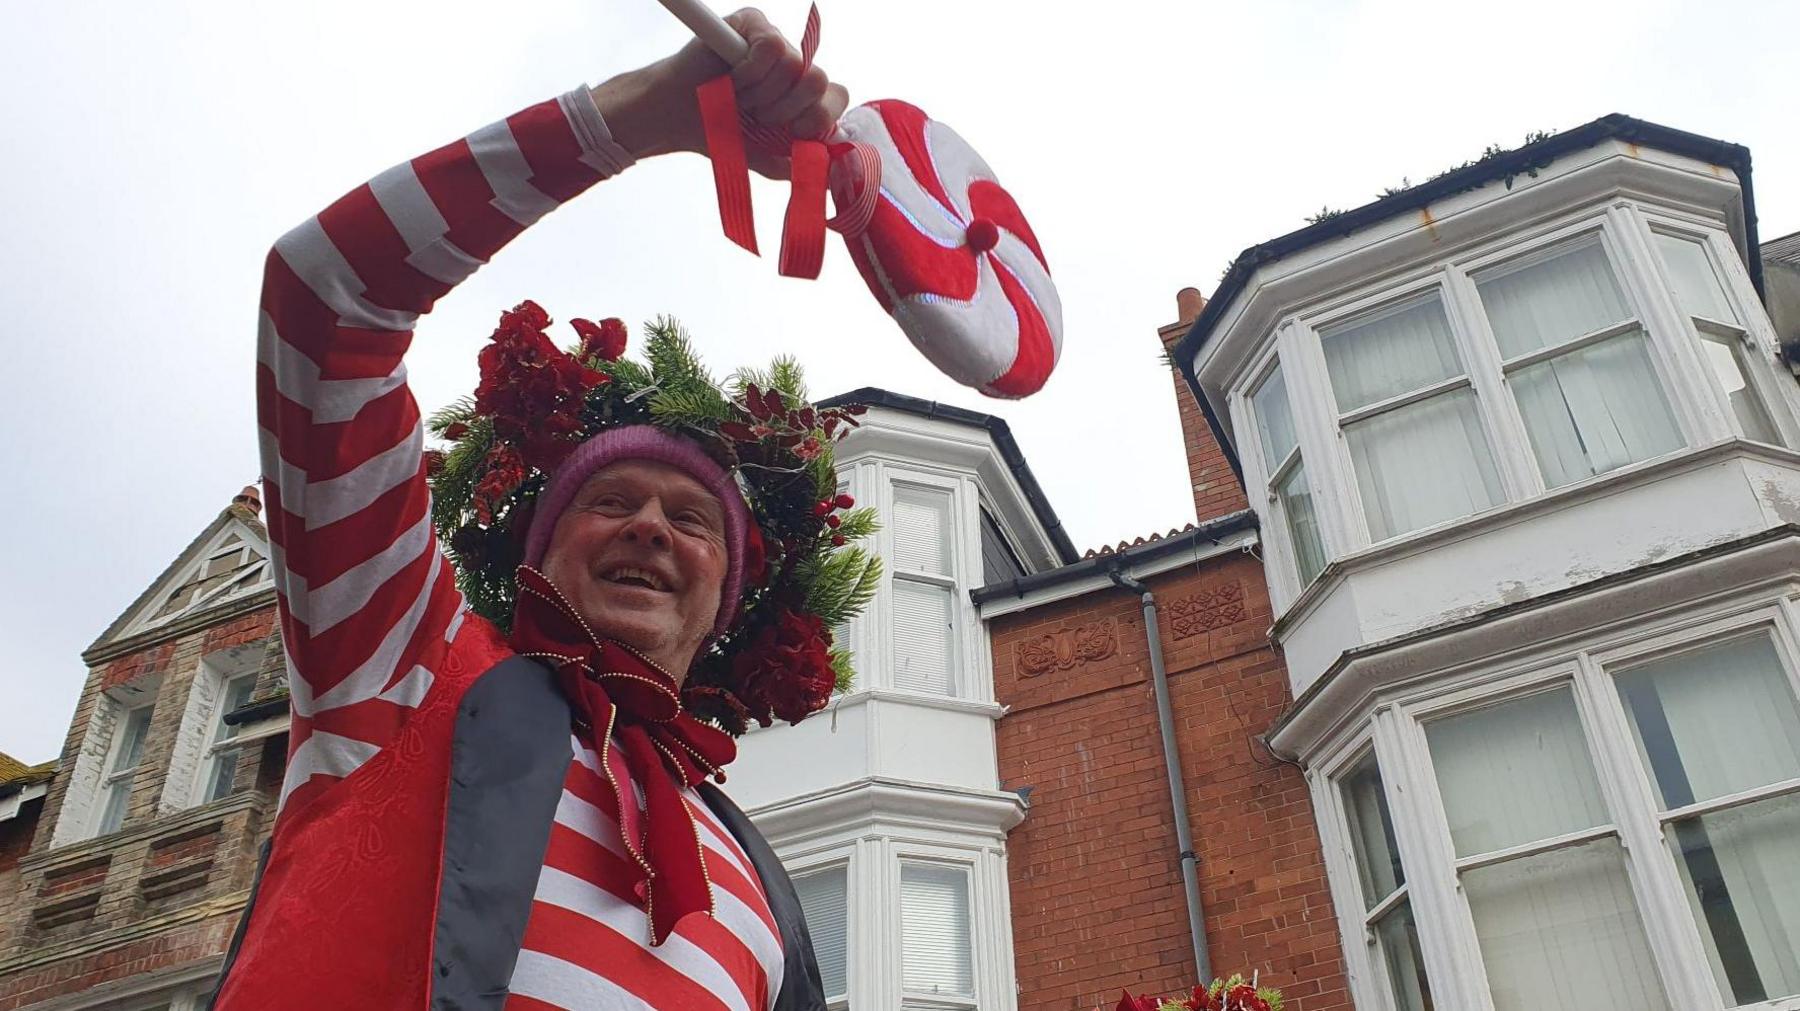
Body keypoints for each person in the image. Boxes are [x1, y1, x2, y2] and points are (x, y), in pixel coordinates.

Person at [211, 11, 878, 1010]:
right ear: (538, 552)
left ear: (725, 599)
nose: (652, 527)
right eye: (611, 500)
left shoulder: (762, 893)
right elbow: (327, 297)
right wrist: (644, 115)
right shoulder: (403, 662)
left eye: (694, 522)